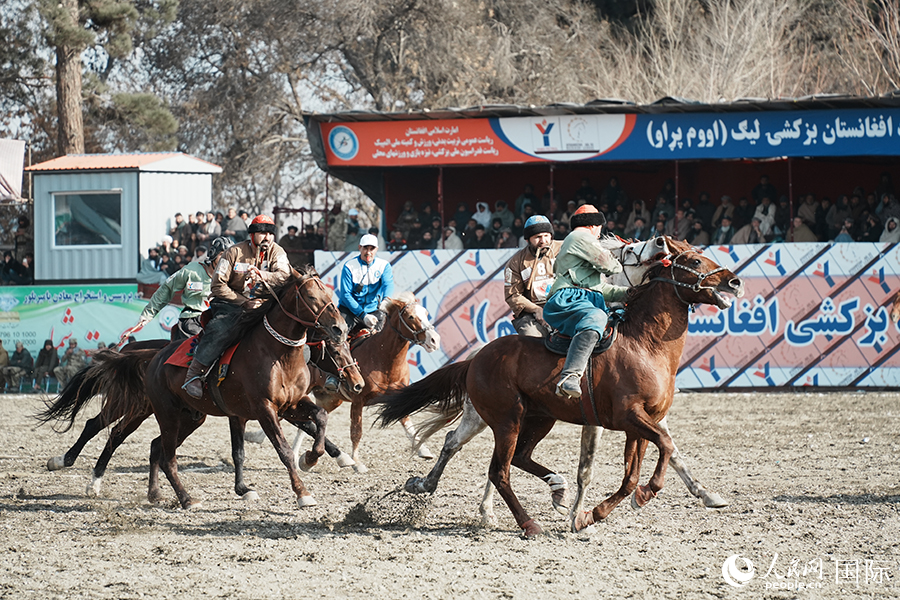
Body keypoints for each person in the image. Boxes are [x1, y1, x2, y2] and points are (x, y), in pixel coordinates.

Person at [182, 215, 290, 398]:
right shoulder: (233, 252)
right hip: (230, 304)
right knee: (222, 327)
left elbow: (285, 275)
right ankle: (194, 374)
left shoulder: (277, 252)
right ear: (252, 235)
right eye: (262, 233)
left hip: (264, 303)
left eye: (270, 233)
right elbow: (217, 285)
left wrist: (263, 275)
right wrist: (243, 301)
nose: (267, 237)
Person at [543, 205, 628, 398]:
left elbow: (601, 290)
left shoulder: (579, 243)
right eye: (600, 228)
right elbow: (611, 267)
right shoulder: (581, 236)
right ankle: (570, 376)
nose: (600, 234)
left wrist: (631, 293)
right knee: (596, 316)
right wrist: (615, 261)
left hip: (584, 298)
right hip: (569, 299)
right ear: (594, 225)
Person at [133, 237, 233, 342]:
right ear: (213, 254)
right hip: (193, 320)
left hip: (220, 321)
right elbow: (167, 288)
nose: (224, 260)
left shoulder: (234, 276)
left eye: (229, 256)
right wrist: (148, 314)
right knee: (202, 349)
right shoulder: (191, 271)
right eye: (222, 255)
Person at [503, 216, 562, 339]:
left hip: (564, 306)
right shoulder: (515, 262)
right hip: (532, 314)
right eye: (537, 237)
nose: (543, 240)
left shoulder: (564, 249)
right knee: (531, 338)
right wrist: (536, 310)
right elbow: (513, 295)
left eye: (546, 235)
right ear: (528, 239)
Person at [338, 233, 394, 335]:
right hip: (350, 312)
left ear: (376, 249)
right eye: (365, 248)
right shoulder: (349, 266)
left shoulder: (384, 266)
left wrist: (386, 300)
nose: (368, 252)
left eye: (372, 249)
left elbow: (388, 284)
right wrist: (363, 315)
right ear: (359, 248)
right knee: (337, 339)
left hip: (373, 310)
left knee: (383, 340)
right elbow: (345, 295)